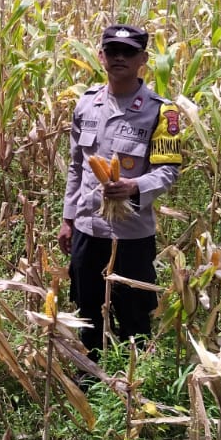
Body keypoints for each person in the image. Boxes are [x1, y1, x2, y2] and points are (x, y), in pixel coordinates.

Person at [58, 24, 183, 356]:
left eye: (128, 52)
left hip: (131, 234)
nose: (119, 58)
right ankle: (90, 374)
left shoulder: (161, 111)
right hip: (88, 227)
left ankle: (134, 375)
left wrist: (134, 186)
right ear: (101, 56)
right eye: (112, 51)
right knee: (87, 310)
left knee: (134, 315)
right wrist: (68, 219)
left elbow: (169, 171)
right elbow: (76, 166)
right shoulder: (86, 105)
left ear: (143, 59)